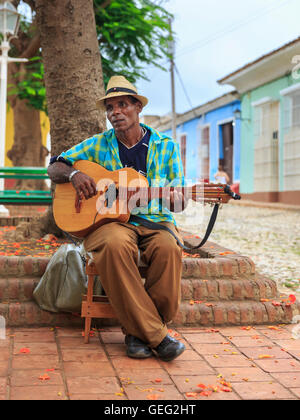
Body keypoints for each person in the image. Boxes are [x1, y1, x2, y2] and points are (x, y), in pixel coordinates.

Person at [48, 75, 187, 362]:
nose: (116, 112)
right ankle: (159, 337)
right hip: (109, 223)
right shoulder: (97, 144)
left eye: (122, 105)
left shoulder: (165, 146)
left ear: (137, 107)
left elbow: (181, 201)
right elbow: (54, 167)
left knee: (169, 248)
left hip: (155, 220)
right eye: (110, 108)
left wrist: (152, 195)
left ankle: (138, 334)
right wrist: (75, 175)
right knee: (113, 245)